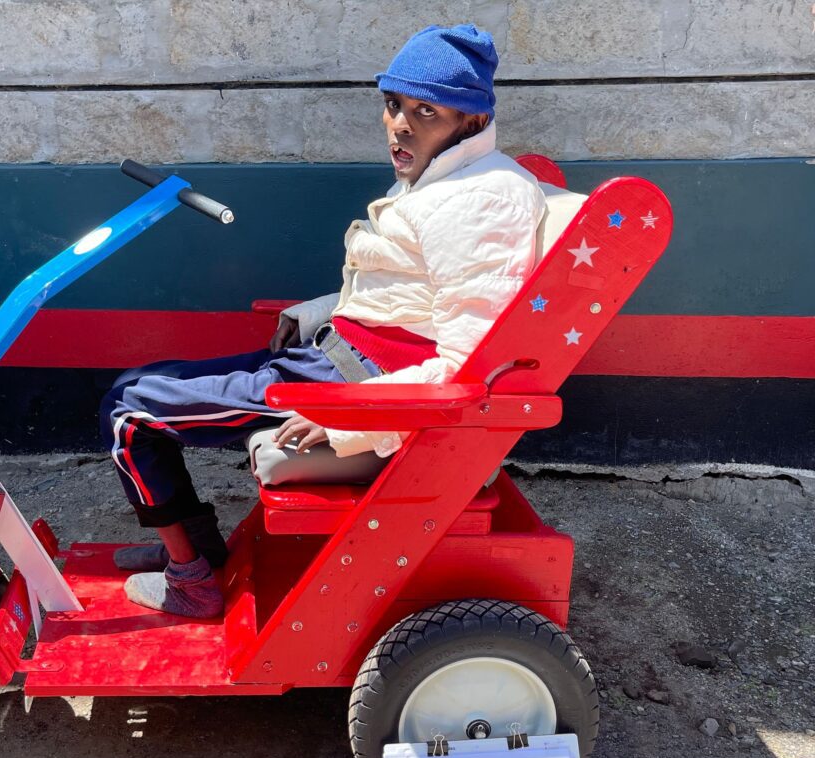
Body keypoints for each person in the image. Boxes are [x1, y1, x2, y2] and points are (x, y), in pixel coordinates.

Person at [100, 24, 546, 618]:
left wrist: (345, 421)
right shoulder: (450, 177)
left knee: (128, 410)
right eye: (393, 106)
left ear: (469, 119)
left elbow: (468, 367)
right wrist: (317, 313)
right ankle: (202, 548)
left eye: (425, 111)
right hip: (338, 360)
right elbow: (405, 294)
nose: (401, 125)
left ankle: (193, 582)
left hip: (356, 388)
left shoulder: (481, 201)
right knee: (137, 382)